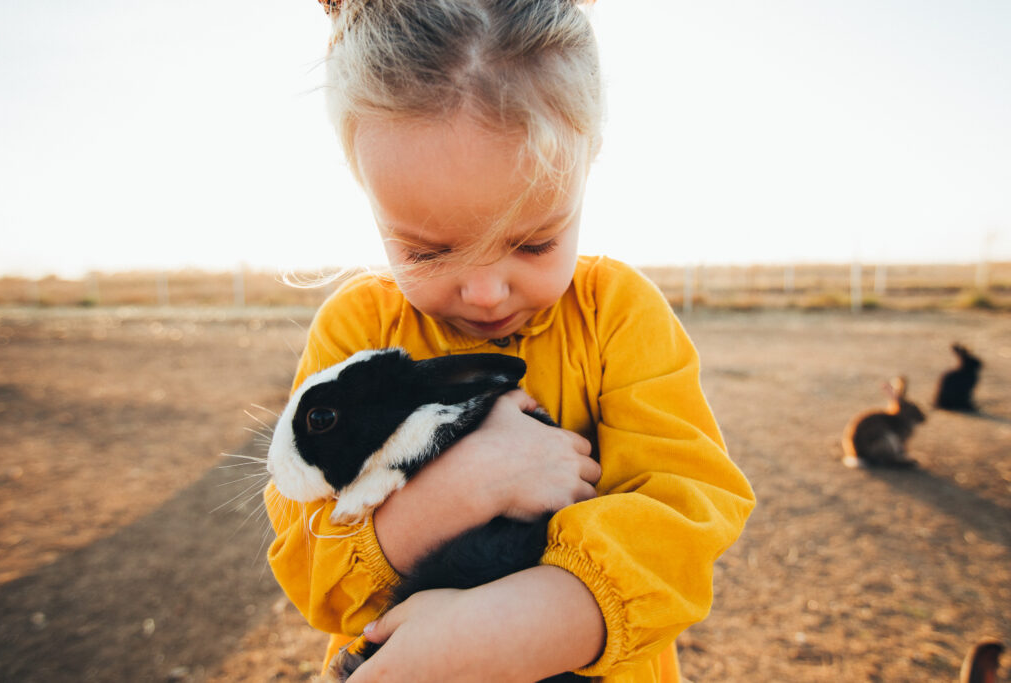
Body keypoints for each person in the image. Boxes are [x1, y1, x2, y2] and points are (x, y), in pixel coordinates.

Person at [263, 1, 755, 681]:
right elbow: (307, 561)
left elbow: (682, 514)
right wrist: (460, 489)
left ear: (591, 160)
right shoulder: (358, 331)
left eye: (534, 241)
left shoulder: (617, 314)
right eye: (427, 250)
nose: (487, 292)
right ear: (366, 186)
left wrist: (505, 630)